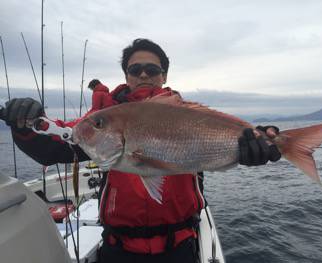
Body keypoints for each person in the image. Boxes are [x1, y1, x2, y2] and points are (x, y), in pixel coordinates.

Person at [0, 38, 281, 263]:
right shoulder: (104, 119)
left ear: (164, 75)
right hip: (119, 248)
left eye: (152, 69)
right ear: (126, 75)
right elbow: (57, 144)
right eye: (135, 70)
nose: (144, 74)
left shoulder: (183, 114)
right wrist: (26, 125)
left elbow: (222, 135)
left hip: (180, 247)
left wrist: (253, 141)